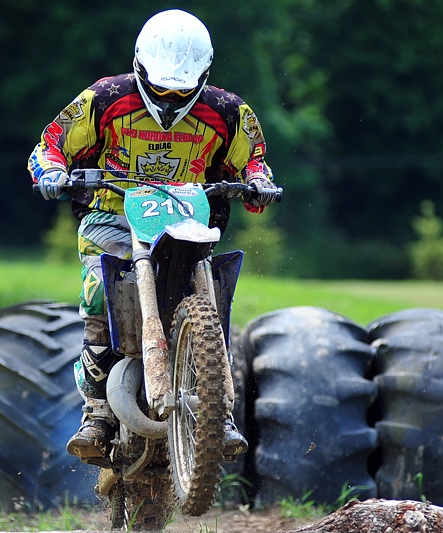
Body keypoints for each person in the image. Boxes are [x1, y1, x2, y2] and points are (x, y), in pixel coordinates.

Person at [27, 9, 280, 464]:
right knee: (100, 291)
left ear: (203, 75)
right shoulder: (104, 98)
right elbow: (50, 144)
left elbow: (255, 160)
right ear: (140, 67)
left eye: (180, 91)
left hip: (187, 221)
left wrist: (259, 181)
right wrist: (52, 172)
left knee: (214, 291)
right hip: (110, 217)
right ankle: (99, 410)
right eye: (160, 87)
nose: (168, 99)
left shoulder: (228, 112)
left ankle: (216, 410)